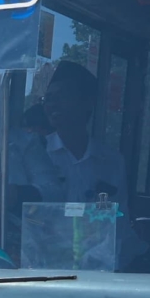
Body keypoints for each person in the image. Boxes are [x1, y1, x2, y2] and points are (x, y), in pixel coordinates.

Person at [9, 62, 127, 204]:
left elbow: (117, 214)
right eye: (48, 99)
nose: (52, 104)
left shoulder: (112, 161)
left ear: (87, 102)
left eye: (62, 96)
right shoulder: (35, 153)